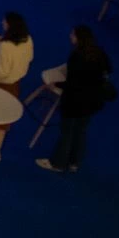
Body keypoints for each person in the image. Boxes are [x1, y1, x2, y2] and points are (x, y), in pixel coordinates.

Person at [36, 25, 112, 174]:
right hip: (92, 101)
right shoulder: (99, 53)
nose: (70, 36)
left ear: (78, 38)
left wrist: (56, 84)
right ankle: (74, 163)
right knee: (81, 132)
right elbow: (107, 70)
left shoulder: (77, 56)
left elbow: (73, 82)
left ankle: (58, 163)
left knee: (67, 132)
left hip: (75, 102)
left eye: (72, 34)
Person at [0, 12, 33, 162]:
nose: (2, 23)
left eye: (4, 21)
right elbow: (30, 58)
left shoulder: (5, 46)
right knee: (3, 119)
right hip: (14, 85)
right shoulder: (28, 39)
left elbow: (1, 72)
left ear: (10, 25)